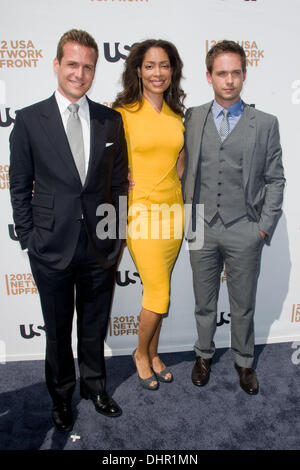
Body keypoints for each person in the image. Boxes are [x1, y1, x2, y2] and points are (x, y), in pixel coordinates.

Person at [9, 29, 128, 432]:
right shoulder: (28, 120)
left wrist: (117, 236)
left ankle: (94, 387)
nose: (80, 73)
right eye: (72, 64)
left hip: (100, 246)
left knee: (94, 324)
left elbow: (119, 183)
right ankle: (60, 397)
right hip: (51, 247)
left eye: (88, 66)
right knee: (58, 332)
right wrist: (29, 238)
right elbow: (19, 185)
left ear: (95, 70)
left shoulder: (110, 120)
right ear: (57, 64)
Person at [182, 40, 285, 395]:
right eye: (221, 73)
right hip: (200, 225)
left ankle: (244, 361)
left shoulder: (266, 123)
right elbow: (182, 166)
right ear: (208, 76)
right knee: (203, 301)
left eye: (235, 73)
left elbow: (276, 178)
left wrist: (263, 228)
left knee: (243, 303)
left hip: (245, 227)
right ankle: (203, 355)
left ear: (244, 74)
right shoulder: (193, 117)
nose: (229, 80)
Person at [113, 39, 185, 389]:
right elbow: (106, 161)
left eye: (165, 65)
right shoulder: (123, 112)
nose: (158, 73)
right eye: (150, 66)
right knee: (159, 292)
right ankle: (140, 353)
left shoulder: (175, 114)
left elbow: (179, 162)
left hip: (174, 213)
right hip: (140, 213)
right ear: (138, 70)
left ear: (173, 71)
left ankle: (155, 353)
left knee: (159, 290)